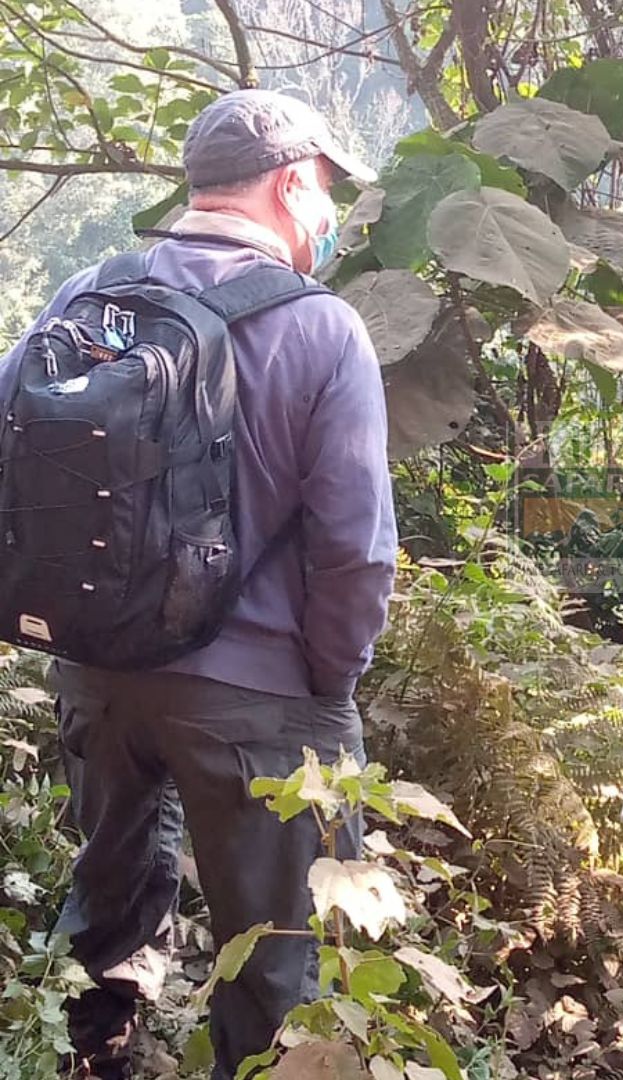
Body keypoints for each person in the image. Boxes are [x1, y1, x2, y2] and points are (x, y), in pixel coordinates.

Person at [0, 90, 397, 1078]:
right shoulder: (323, 329)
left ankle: (102, 1058)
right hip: (260, 702)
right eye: (324, 193)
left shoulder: (86, 293)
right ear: (292, 181)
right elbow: (355, 550)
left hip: (96, 670)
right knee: (277, 958)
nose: (326, 216)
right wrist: (329, 689)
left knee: (111, 913)